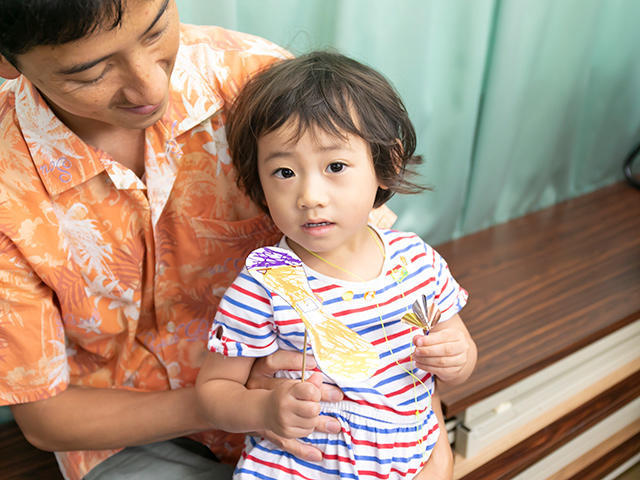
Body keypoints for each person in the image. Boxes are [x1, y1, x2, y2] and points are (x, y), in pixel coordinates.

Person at [0, 1, 476, 479]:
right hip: (123, 435)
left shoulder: (257, 82)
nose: (149, 86)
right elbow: (45, 417)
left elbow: (381, 292)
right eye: (89, 72)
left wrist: (423, 440)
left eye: (156, 30)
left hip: (334, 427)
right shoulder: (7, 187)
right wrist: (241, 405)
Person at [195, 51, 477, 479]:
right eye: (285, 172)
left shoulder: (416, 260)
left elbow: (457, 345)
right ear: (260, 181)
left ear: (387, 163)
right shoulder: (264, 282)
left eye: (336, 166)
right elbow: (214, 392)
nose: (310, 195)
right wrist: (264, 407)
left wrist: (458, 357)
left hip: (409, 464)